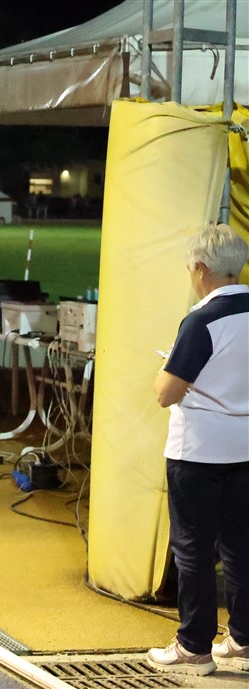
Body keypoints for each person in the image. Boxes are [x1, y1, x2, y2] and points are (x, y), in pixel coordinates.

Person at [146, 223, 249, 676]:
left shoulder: (201, 321)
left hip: (199, 451)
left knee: (192, 548)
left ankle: (193, 647)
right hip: (245, 449)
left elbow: (166, 393)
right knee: (241, 545)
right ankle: (243, 639)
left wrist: (167, 367)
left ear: (202, 269)